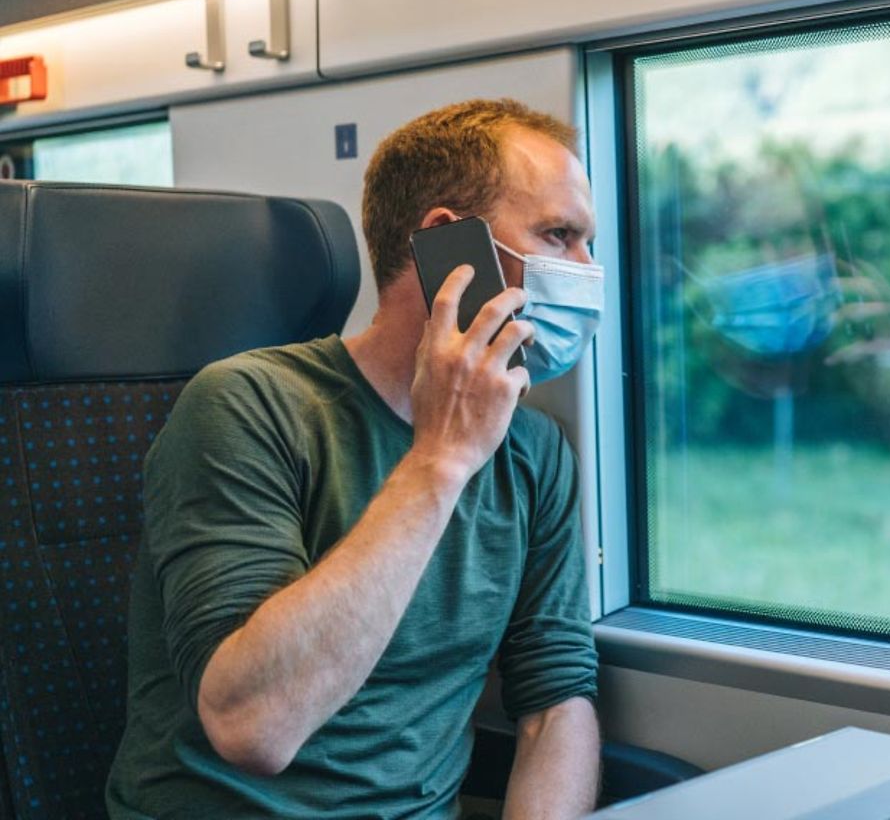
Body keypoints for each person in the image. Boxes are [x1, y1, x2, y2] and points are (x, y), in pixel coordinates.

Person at [106, 98, 603, 819]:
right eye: (559, 236)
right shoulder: (247, 405)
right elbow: (255, 726)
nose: (588, 271)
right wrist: (440, 459)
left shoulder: (533, 451)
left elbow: (555, 702)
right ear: (450, 247)